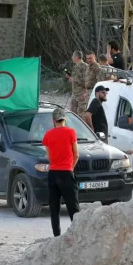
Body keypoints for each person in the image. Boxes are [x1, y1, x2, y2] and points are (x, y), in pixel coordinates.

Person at [40, 107, 80, 237]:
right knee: (73, 206)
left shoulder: (48, 135)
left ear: (53, 120)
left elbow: (49, 157)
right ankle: (77, 234)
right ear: (65, 119)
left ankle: (56, 235)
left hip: (53, 173)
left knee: (54, 207)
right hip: (67, 172)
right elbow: (77, 154)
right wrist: (71, 167)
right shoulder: (71, 132)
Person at [66, 51, 88, 116]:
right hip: (74, 94)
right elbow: (76, 78)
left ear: (76, 57)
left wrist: (74, 79)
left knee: (81, 115)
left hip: (81, 94)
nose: (72, 58)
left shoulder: (85, 67)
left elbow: (87, 81)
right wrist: (70, 77)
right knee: (72, 115)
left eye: (73, 56)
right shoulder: (75, 67)